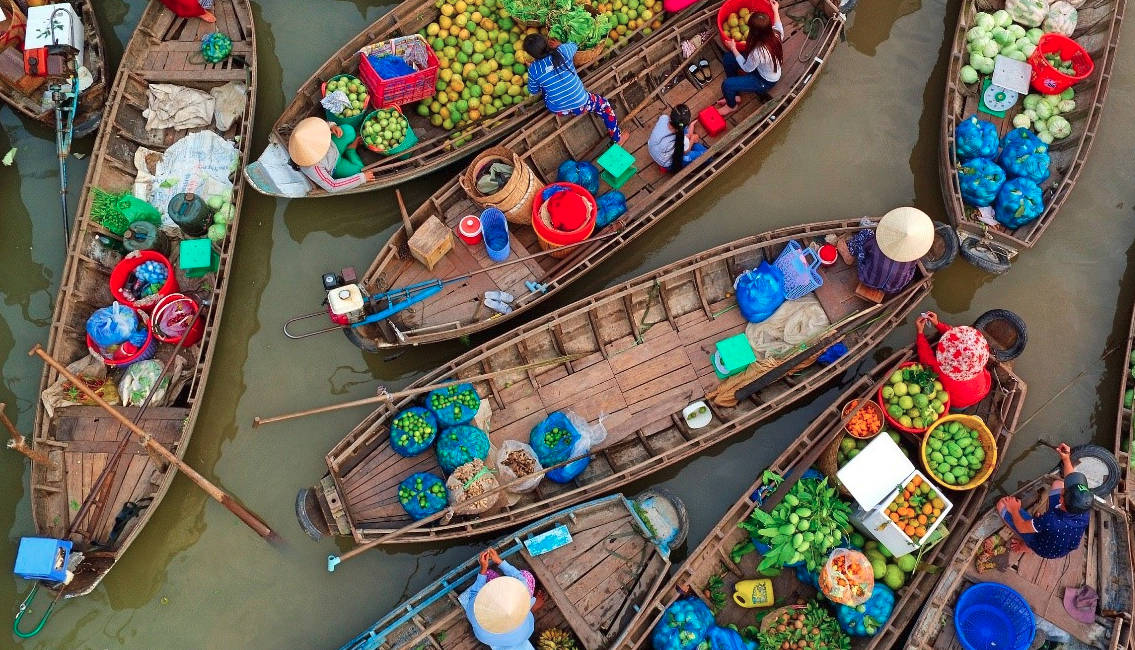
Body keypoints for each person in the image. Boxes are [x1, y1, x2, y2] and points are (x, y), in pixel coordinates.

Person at [997, 443, 1093, 559]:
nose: (1064, 490)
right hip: (1062, 540)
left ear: (1061, 500)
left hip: (1046, 548)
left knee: (1002, 504)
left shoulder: (1051, 521)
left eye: (1064, 493)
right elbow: (1070, 479)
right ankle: (1036, 532)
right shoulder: (1083, 507)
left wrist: (1014, 509)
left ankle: (1027, 546)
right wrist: (1066, 459)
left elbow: (1022, 526)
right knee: (1059, 484)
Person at [524, 35, 621, 144]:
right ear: (547, 43)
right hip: (581, 103)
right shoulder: (562, 51)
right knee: (605, 106)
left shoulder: (533, 69)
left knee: (544, 86)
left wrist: (533, 69)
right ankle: (617, 138)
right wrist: (559, 45)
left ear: (531, 55)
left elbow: (533, 90)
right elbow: (574, 45)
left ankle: (568, 107)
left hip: (558, 110)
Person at [458, 548, 536, 650]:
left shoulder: (473, 610)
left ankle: (489, 574)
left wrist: (483, 568)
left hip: (493, 638)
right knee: (527, 576)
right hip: (522, 634)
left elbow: (474, 593)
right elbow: (520, 577)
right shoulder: (520, 597)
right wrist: (499, 561)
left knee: (488, 574)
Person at [716, 1, 784, 116]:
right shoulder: (776, 33)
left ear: (754, 32)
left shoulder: (758, 52)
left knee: (727, 84)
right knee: (728, 58)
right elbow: (778, 22)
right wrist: (775, 10)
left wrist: (733, 48)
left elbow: (746, 68)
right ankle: (735, 94)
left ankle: (731, 105)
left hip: (765, 81)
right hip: (762, 68)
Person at [847, 207, 935, 294]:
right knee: (910, 268)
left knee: (866, 234)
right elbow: (911, 268)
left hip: (867, 280)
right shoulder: (914, 255)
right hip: (894, 289)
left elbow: (865, 249)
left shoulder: (876, 242)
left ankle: (851, 247)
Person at [914, 312, 991, 409]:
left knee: (955, 404)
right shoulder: (977, 357)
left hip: (958, 402)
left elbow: (926, 357)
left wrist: (920, 333)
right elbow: (959, 336)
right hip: (981, 391)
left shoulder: (941, 370)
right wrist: (937, 324)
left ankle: (957, 409)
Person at [288, 117, 374, 193]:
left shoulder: (307, 132)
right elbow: (333, 186)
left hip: (334, 147)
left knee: (349, 130)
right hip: (335, 166)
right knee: (359, 170)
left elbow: (324, 124)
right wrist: (362, 178)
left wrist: (332, 126)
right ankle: (350, 151)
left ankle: (347, 149)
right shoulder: (313, 167)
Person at [647, 104, 708, 173]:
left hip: (653, 148)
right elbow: (685, 151)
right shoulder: (679, 141)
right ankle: (709, 158)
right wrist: (692, 139)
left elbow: (681, 135)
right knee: (705, 154)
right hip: (668, 164)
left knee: (686, 136)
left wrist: (690, 132)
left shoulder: (663, 118)